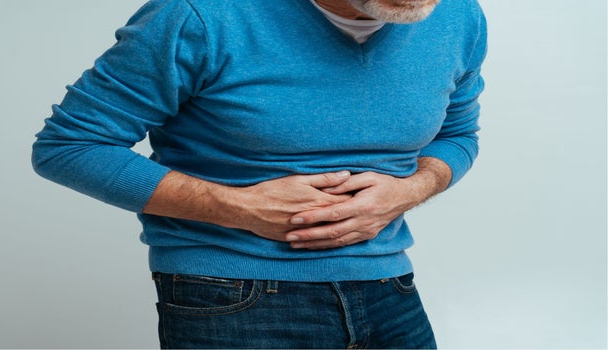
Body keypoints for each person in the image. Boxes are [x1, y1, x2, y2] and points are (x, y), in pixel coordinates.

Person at [32, 0, 486, 348]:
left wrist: (409, 191)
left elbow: (459, 134)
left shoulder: (458, 17)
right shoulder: (201, 15)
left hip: (389, 286)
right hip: (231, 294)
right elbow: (69, 146)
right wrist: (240, 207)